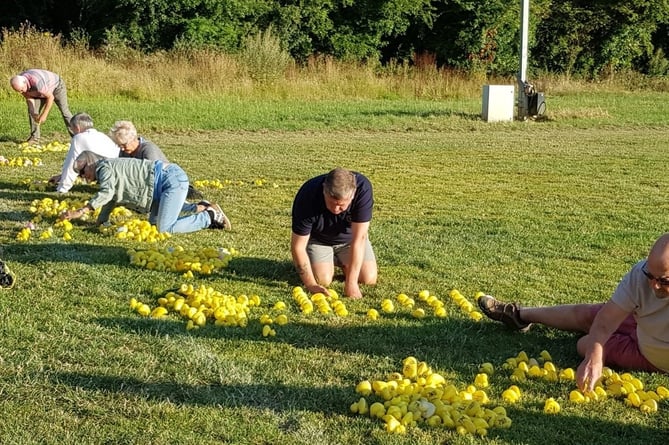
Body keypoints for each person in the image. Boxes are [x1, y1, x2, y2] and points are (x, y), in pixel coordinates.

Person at [478, 233, 669, 392]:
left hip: (651, 354)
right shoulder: (641, 275)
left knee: (583, 344)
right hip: (641, 322)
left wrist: (593, 350)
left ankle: (599, 340)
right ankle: (519, 315)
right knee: (590, 316)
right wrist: (594, 357)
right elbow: (605, 321)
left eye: (664, 280)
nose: (654, 285)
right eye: (650, 276)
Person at [60, 151, 231, 233]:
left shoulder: (104, 168)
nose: (84, 178)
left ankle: (208, 217)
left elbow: (106, 193)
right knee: (154, 222)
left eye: (82, 173)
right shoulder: (108, 170)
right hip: (161, 185)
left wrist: (81, 211)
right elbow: (112, 198)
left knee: (164, 228)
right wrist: (101, 222)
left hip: (170, 180)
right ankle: (202, 207)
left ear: (90, 163)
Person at [291, 167, 377, 299]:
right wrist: (311, 284)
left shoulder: (363, 189)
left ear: (353, 195)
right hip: (319, 240)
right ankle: (329, 261)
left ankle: (340, 261)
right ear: (324, 191)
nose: (336, 209)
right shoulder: (308, 194)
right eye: (332, 203)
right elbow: (298, 246)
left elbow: (359, 239)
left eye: (342, 205)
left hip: (350, 241)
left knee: (368, 278)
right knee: (323, 280)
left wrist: (351, 283)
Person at [109, 120, 204, 200]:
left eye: (124, 144)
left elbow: (152, 177)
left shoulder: (148, 149)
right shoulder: (124, 152)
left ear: (133, 139)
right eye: (119, 145)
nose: (121, 148)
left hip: (166, 183)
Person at [49, 112, 120, 193]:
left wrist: (62, 189)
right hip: (117, 175)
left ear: (77, 128)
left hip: (104, 173)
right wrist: (61, 177)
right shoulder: (103, 136)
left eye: (72, 129)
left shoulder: (79, 138)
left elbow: (71, 164)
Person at [10, 69, 74, 143]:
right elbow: (28, 97)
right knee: (32, 112)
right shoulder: (20, 83)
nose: (21, 92)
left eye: (21, 90)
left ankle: (76, 135)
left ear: (25, 83)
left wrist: (44, 114)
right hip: (40, 91)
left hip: (57, 87)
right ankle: (35, 137)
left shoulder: (37, 82)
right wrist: (32, 111)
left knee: (65, 111)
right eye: (19, 91)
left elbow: (50, 97)